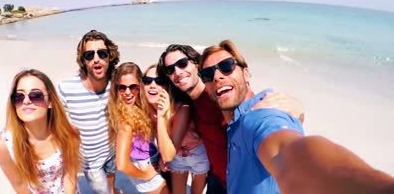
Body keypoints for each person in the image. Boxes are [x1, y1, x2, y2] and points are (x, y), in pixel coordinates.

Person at [199, 39, 394, 193]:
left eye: (227, 66)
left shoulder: (259, 117)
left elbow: (289, 151)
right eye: (208, 74)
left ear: (246, 73)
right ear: (206, 86)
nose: (217, 77)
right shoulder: (233, 123)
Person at [158, 44, 305, 193]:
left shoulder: (222, 98)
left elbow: (263, 121)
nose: (178, 72)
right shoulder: (189, 103)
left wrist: (296, 109)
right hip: (216, 178)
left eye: (182, 64)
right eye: (170, 70)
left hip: (241, 182)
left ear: (196, 64)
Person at [0, 69, 81, 193]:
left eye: (36, 96)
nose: (26, 101)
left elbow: (70, 176)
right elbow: (20, 186)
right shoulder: (4, 145)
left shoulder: (69, 134)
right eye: (19, 96)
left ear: (50, 102)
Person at [57, 30, 121, 194]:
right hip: (90, 161)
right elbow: (56, 123)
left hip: (112, 150)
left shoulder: (117, 83)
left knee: (111, 179)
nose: (96, 59)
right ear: (83, 61)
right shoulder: (67, 88)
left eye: (102, 53)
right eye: (89, 55)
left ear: (110, 56)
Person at [143, 64, 209, 194]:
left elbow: (169, 153)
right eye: (147, 81)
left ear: (167, 85)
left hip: (197, 154)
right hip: (177, 157)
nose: (152, 85)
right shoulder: (148, 109)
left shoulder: (182, 109)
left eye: (159, 81)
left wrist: (162, 116)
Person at [107, 62, 169, 194]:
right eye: (122, 88)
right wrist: (145, 174)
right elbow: (121, 164)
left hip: (149, 162)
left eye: (133, 87)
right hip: (145, 168)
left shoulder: (134, 109)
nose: (128, 93)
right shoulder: (127, 121)